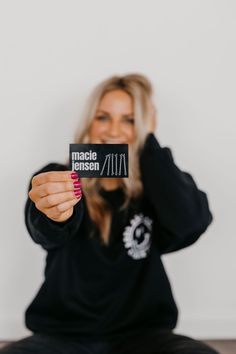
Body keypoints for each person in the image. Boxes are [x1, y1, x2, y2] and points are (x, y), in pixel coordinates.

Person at [1, 74, 219, 353]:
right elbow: (44, 230)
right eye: (103, 117)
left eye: (129, 120)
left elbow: (190, 222)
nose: (114, 131)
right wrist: (53, 211)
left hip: (144, 336)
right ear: (88, 123)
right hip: (62, 337)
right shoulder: (59, 177)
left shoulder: (158, 186)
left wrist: (148, 143)